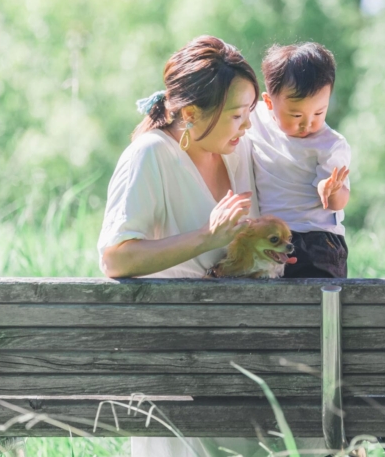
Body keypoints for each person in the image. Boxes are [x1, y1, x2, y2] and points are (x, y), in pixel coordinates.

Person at [97, 35, 325, 457]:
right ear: (189, 114)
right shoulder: (150, 156)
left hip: (243, 358)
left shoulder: (237, 153)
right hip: (180, 364)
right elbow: (116, 257)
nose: (247, 126)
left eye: (250, 114)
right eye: (237, 115)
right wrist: (208, 238)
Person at [248, 42, 351, 279]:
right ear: (270, 103)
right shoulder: (255, 117)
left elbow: (339, 201)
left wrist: (330, 190)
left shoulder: (330, 144)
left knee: (320, 306)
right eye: (296, 115)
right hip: (269, 238)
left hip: (316, 240)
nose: (307, 123)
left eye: (319, 113)